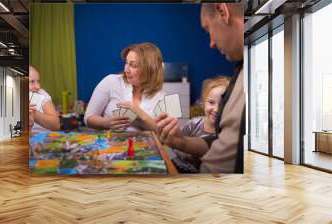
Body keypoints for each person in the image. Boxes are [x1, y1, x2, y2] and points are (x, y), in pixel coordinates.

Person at [156, 3, 245, 173]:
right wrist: (181, 142)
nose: (211, 43)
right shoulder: (239, 70)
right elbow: (221, 141)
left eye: (207, 30)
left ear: (222, 11)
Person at [84, 42, 165, 131]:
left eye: (133, 65)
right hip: (110, 144)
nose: (126, 70)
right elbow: (88, 118)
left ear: (150, 69)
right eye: (126, 63)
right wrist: (106, 123)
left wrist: (141, 115)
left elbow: (169, 135)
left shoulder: (163, 96)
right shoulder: (110, 81)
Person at [171, 76, 230, 173]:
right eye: (211, 102)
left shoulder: (228, 133)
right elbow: (175, 145)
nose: (216, 109)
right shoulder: (193, 124)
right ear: (203, 103)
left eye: (222, 104)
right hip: (177, 166)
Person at [29, 65, 61, 134]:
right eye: (32, 81)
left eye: (38, 81)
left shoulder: (41, 93)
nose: (38, 86)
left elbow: (56, 125)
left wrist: (34, 113)